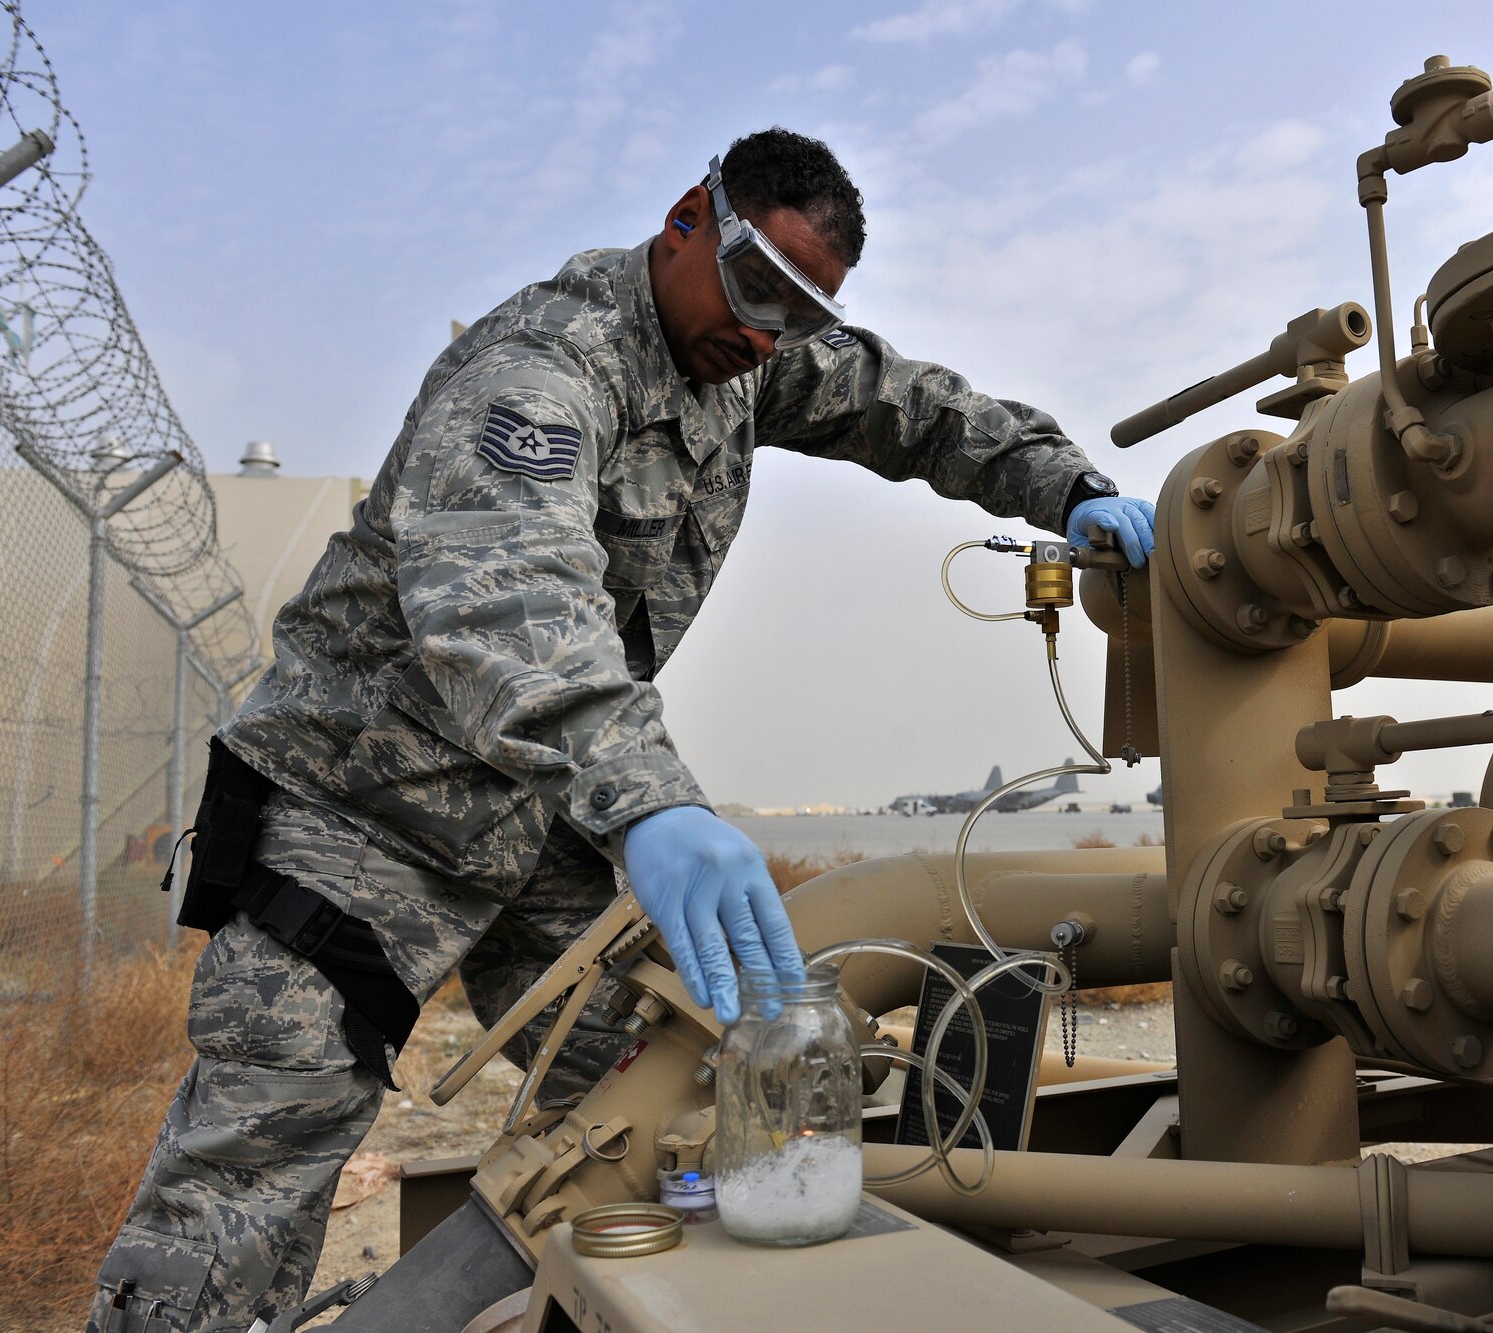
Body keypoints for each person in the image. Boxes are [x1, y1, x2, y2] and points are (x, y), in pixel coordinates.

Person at [89, 128, 1157, 1333]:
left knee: (673, 1079)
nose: (766, 334)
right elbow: (507, 595)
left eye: (801, 315)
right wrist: (651, 799)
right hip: (366, 816)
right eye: (756, 288)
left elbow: (906, 404)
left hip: (534, 815)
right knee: (246, 1177)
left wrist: (1065, 486)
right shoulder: (542, 367)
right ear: (689, 218)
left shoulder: (746, 353)